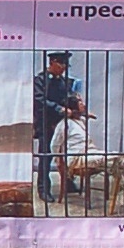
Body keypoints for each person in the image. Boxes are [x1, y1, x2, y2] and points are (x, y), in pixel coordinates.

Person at [33, 49, 81, 202]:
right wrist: (59, 108)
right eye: (61, 64)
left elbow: (67, 98)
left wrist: (76, 103)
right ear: (52, 62)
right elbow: (39, 101)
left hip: (63, 124)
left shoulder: (63, 82)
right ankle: (43, 189)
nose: (64, 67)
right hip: (46, 124)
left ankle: (68, 183)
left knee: (65, 155)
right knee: (46, 157)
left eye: (66, 65)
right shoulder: (40, 80)